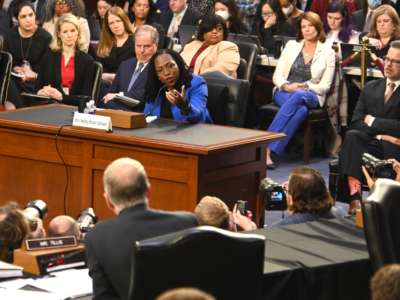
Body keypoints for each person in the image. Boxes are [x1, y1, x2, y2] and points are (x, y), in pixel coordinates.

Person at [85, 157, 198, 300]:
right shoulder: (187, 222)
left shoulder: (97, 236)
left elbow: (104, 296)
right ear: (149, 191)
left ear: (108, 201)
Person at [265, 11, 335, 168]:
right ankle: (272, 150)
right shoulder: (291, 46)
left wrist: (306, 86)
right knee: (301, 111)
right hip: (285, 90)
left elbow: (325, 86)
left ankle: (265, 148)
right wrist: (287, 86)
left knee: (299, 96)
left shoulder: (328, 52)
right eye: (303, 26)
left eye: (310, 26)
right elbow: (277, 76)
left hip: (312, 93)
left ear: (318, 28)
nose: (307, 29)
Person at [338, 40, 400, 214]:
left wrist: (373, 121)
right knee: (352, 136)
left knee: (356, 141)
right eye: (387, 59)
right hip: (374, 143)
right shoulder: (371, 88)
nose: (389, 64)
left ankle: (384, 205)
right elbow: (357, 122)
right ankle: (355, 198)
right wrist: (383, 134)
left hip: (394, 148)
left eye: (395, 61)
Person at [323, 1, 360, 157]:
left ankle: (337, 137)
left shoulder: (353, 36)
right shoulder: (322, 33)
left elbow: (352, 58)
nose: (332, 21)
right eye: (329, 17)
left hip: (344, 78)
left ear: (344, 18)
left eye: (336, 18)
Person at [35, 13, 95, 106]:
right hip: (49, 106)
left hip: (74, 109)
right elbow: (37, 89)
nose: (69, 35)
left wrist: (62, 97)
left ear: (78, 32)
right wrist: (41, 92)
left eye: (72, 31)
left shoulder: (87, 61)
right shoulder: (48, 57)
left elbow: (86, 98)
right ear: (59, 34)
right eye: (65, 32)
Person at [3, 1, 52, 108]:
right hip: (15, 81)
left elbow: (49, 71)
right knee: (7, 81)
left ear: (35, 15)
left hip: (37, 83)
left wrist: (34, 75)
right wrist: (16, 68)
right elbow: (6, 62)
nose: (28, 20)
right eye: (23, 16)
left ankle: (17, 113)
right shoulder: (10, 36)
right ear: (17, 19)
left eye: (31, 15)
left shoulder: (45, 38)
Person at [143, 49, 213, 123]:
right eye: (160, 70)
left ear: (179, 65)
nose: (166, 73)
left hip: (194, 131)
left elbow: (198, 117)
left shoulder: (196, 83)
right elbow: (147, 116)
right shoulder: (156, 88)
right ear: (157, 76)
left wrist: (184, 106)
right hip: (161, 132)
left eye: (170, 66)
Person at [101, 24, 158, 111]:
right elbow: (111, 92)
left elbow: (147, 93)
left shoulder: (158, 67)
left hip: (141, 112)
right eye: (138, 46)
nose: (142, 50)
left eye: (147, 46)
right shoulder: (125, 65)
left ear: (155, 46)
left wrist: (120, 96)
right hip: (117, 110)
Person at [96, 6, 134, 84]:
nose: (115, 26)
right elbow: (99, 70)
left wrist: (113, 76)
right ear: (108, 26)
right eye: (111, 23)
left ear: (124, 21)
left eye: (118, 21)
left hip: (127, 84)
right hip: (105, 85)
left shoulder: (135, 41)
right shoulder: (104, 43)